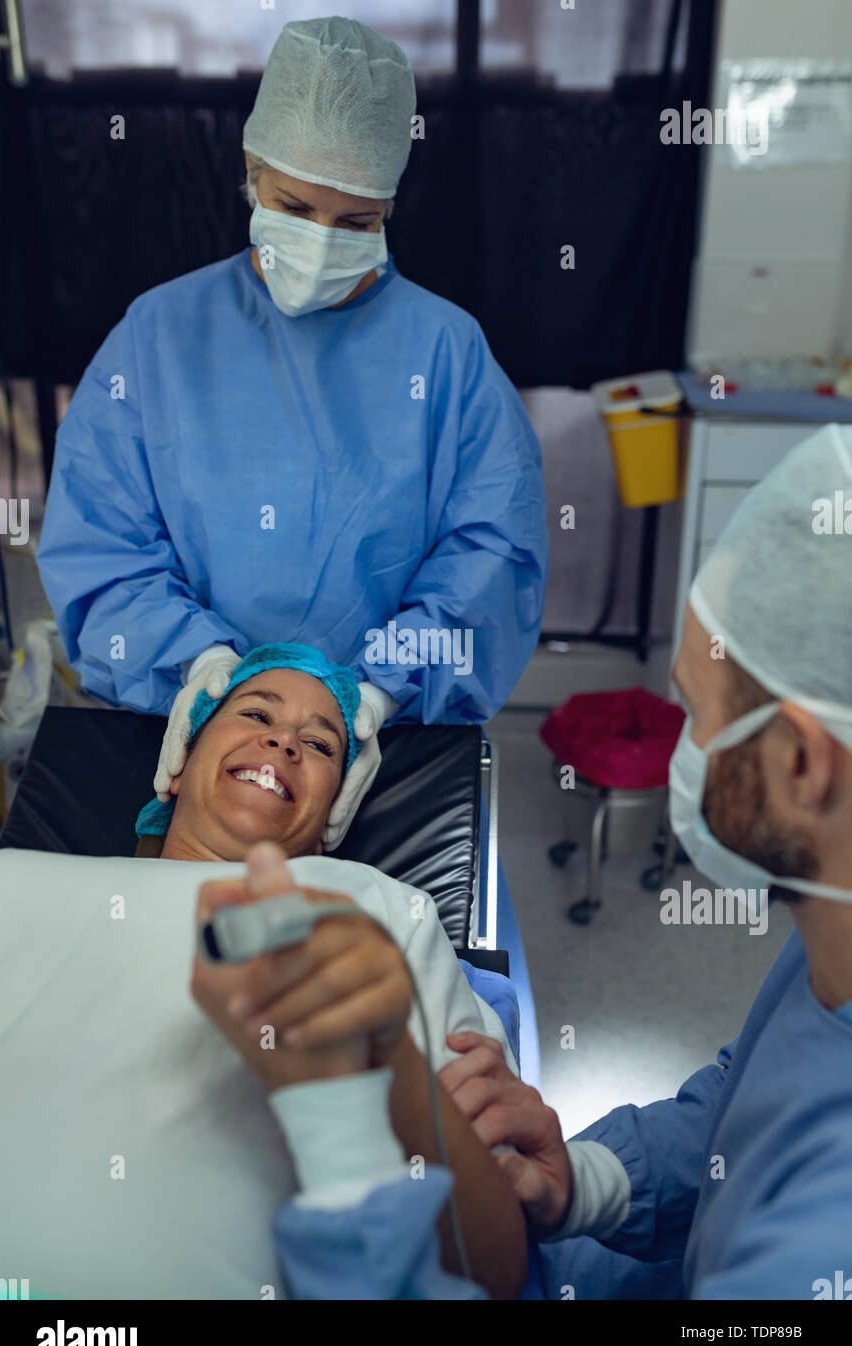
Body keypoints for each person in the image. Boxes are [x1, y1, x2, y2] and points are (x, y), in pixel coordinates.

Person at [259, 424, 852, 1299]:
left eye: (694, 714)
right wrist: (593, 1182)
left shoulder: (813, 1257)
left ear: (803, 764)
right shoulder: (828, 938)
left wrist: (338, 1127)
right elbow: (749, 1102)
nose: (676, 746)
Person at [35, 15, 549, 855]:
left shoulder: (446, 354)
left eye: (354, 224)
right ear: (250, 172)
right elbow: (101, 545)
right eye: (296, 206)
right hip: (195, 721)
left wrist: (379, 694)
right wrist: (197, 670)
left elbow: (492, 557)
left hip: (378, 738)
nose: (318, 241)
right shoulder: (161, 336)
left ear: (390, 210)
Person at [0, 644, 525, 1299]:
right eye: (253, 713)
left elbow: (492, 1265)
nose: (283, 741)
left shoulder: (378, 906)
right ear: (179, 763)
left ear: (333, 819)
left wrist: (387, 1065)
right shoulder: (5, 881)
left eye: (322, 746)